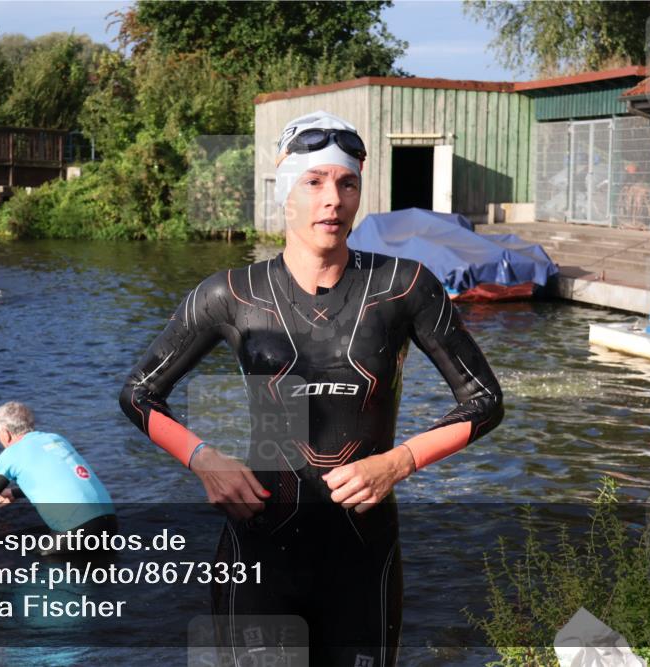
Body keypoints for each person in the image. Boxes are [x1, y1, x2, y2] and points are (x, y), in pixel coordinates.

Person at [118, 110, 504, 664]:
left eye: (347, 183)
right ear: (286, 194)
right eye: (315, 181)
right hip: (259, 550)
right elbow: (139, 393)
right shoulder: (230, 294)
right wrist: (203, 459)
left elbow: (485, 401)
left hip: (363, 556)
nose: (334, 199)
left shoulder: (405, 287)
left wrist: (398, 463)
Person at [0, 402, 116, 543]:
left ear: (6, 433)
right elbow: (55, 480)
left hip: (77, 530)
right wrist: (14, 493)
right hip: (110, 524)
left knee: (25, 569)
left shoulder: (11, 453)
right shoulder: (57, 439)